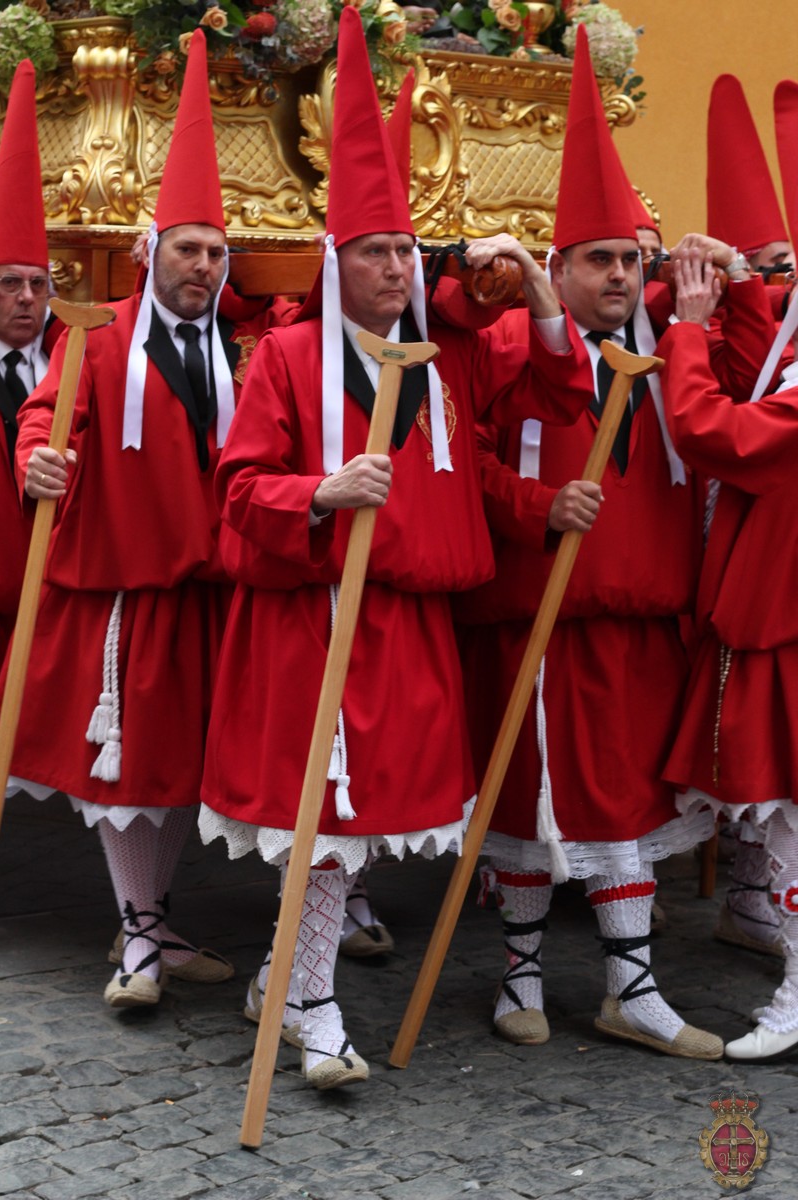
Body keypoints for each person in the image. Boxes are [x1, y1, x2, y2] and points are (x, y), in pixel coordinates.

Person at [198, 7, 594, 1092]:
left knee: (361, 825)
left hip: (408, 632)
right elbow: (238, 490)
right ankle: (312, 1005)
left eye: (403, 250)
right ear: (337, 265)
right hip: (312, 621)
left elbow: (552, 394)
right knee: (322, 824)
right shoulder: (287, 359)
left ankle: (282, 978)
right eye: (372, 251)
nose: (391, 266)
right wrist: (319, 492)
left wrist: (540, 295)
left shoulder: (441, 360)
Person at [455, 26, 725, 1061]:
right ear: (558, 267)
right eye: (598, 260)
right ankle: (519, 977)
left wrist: (722, 272)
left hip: (643, 618)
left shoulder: (673, 343)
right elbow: (462, 462)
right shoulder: (506, 344)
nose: (619, 275)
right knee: (532, 800)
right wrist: (533, 507)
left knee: (624, 805)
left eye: (631, 259)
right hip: (541, 615)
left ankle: (629, 989)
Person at [4, 31, 283, 1008]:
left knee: (180, 770)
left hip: (215, 589)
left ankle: (154, 923)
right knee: (125, 772)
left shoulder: (249, 350)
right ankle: (136, 933)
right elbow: (47, 414)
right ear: (147, 251)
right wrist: (36, 458)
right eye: (187, 249)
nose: (202, 266)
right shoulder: (98, 335)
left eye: (214, 252)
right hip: (125, 586)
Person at [658, 246, 798, 1060]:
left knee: (789, 820)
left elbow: (713, 431)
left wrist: (687, 329)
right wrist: (744, 294)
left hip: (782, 626)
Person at [0, 61, 60, 670]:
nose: (26, 299)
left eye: (38, 284)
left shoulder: (73, 357)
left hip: (54, 601)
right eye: (9, 283)